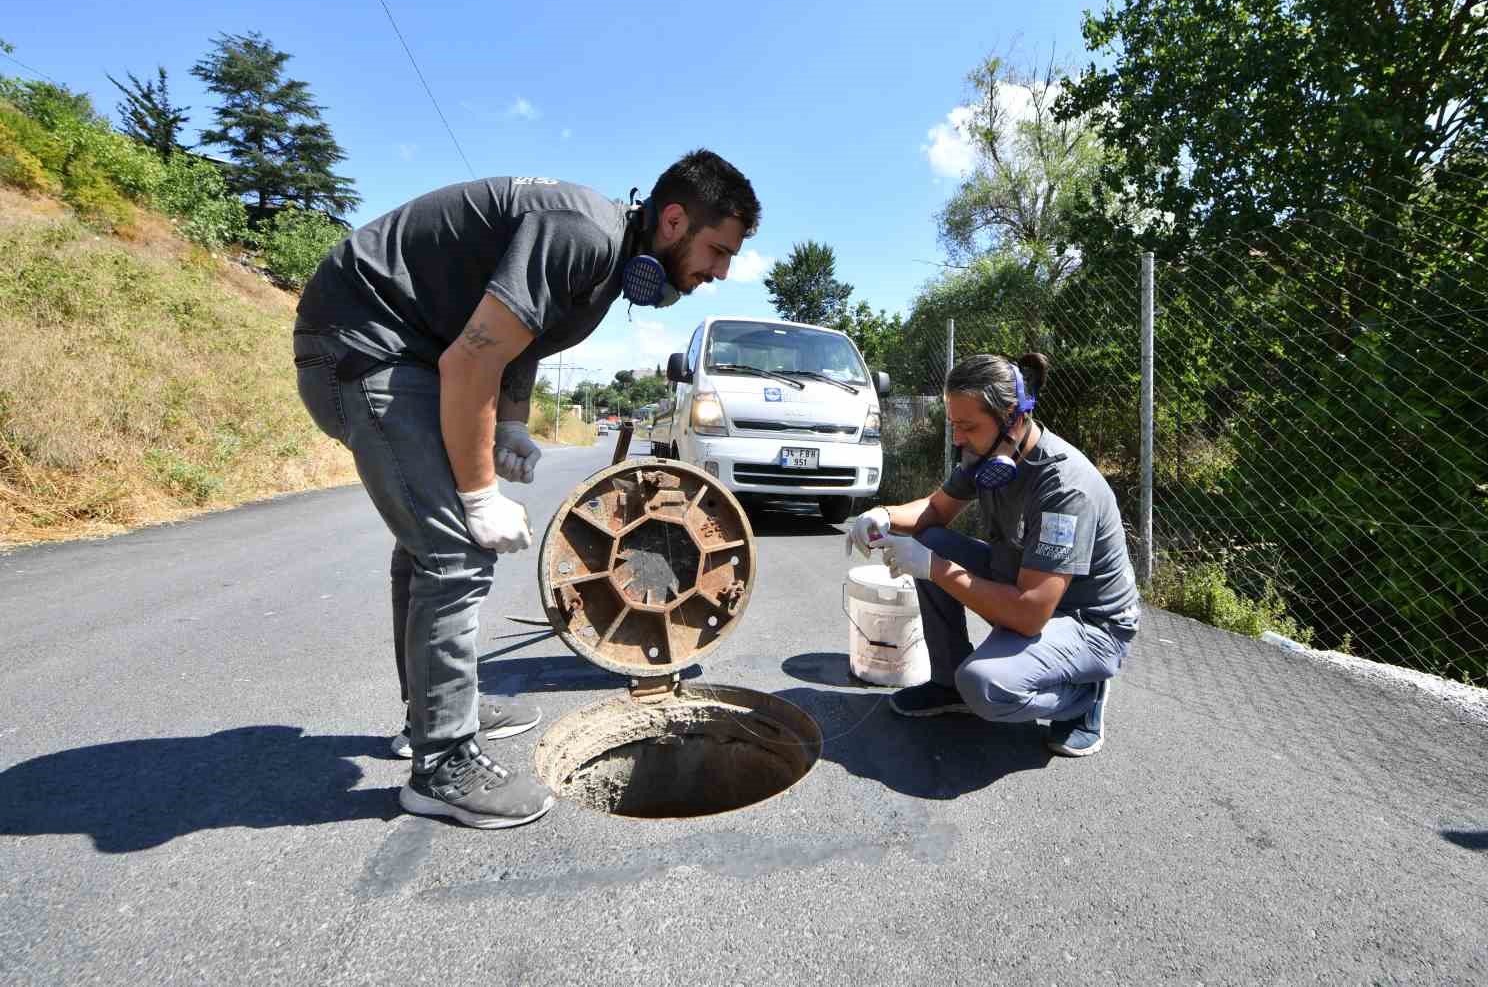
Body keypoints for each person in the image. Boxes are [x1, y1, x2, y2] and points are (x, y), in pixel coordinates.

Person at [292, 152, 761, 827]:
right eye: (717, 250)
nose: (719, 272)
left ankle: (436, 710)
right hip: (364, 346)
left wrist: (510, 422)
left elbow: (523, 343)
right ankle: (443, 763)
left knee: (426, 541)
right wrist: (480, 492)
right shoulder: (582, 234)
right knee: (454, 550)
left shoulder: (602, 261)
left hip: (407, 351)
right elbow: (474, 355)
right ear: (673, 219)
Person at [847, 352, 1139, 756]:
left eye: (967, 427)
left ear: (1014, 419)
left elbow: (1030, 612)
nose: (957, 439)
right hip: (1021, 581)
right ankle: (948, 684)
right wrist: (883, 515)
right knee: (932, 538)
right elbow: (934, 511)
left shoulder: (1063, 488)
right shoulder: (988, 455)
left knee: (986, 684)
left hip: (1086, 621)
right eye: (954, 425)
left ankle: (1082, 693)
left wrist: (935, 570)